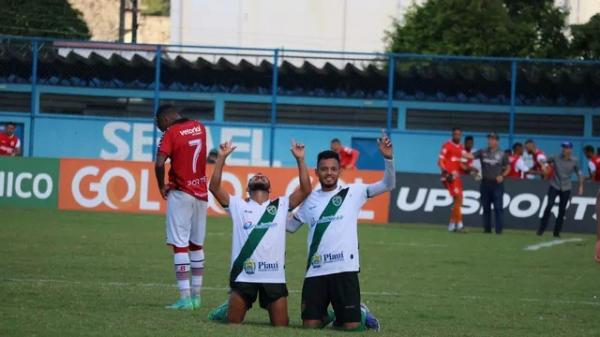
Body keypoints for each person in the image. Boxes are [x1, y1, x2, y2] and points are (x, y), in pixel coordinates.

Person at [286, 129, 396, 332]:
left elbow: (388, 184)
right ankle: (333, 314)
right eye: (324, 169)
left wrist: (388, 158)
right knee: (310, 326)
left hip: (345, 269)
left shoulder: (354, 191)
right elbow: (290, 227)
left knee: (352, 327)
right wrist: (281, 207)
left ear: (339, 171)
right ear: (317, 172)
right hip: (316, 270)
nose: (329, 173)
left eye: (333, 169)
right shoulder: (309, 199)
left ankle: (360, 312)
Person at [207, 139, 311, 325]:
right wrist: (221, 158)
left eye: (263, 177)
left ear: (270, 189)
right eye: (256, 176)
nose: (260, 176)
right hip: (244, 275)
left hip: (273, 276)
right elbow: (214, 188)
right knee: (233, 324)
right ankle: (228, 307)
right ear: (248, 188)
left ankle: (229, 306)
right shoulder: (238, 205)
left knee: (282, 326)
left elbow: (305, 189)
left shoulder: (280, 204)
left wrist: (300, 160)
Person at [154, 105, 208, 310]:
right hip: (201, 193)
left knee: (180, 245)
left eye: (159, 123)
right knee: (196, 245)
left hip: (181, 192)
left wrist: (161, 186)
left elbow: (159, 163)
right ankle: (196, 297)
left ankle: (185, 299)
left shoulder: (171, 133)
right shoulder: (199, 127)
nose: (159, 128)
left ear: (165, 119)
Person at [537, 141, 584, 237]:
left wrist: (581, 186)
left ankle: (556, 232)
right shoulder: (555, 157)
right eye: (563, 147)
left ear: (570, 149)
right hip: (554, 185)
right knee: (549, 206)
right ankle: (541, 230)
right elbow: (543, 160)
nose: (564, 149)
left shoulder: (575, 161)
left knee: (562, 210)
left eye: (566, 147)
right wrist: (543, 165)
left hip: (566, 187)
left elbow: (579, 174)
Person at [473, 133, 510, 234]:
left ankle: (499, 230)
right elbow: (470, 156)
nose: (490, 141)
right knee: (486, 207)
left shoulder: (502, 154)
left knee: (498, 208)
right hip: (485, 183)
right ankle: (487, 229)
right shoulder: (482, 151)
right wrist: (460, 154)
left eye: (492, 139)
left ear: (497, 141)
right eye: (489, 139)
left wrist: (502, 176)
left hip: (497, 185)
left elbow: (508, 168)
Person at [438, 127, 474, 232]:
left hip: (456, 177)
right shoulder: (447, 145)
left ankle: (452, 224)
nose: (457, 136)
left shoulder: (461, 148)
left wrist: (470, 170)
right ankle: (459, 224)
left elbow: (461, 163)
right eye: (455, 134)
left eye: (459, 134)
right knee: (458, 198)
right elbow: (440, 161)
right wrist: (446, 172)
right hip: (449, 177)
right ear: (452, 135)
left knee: (459, 200)